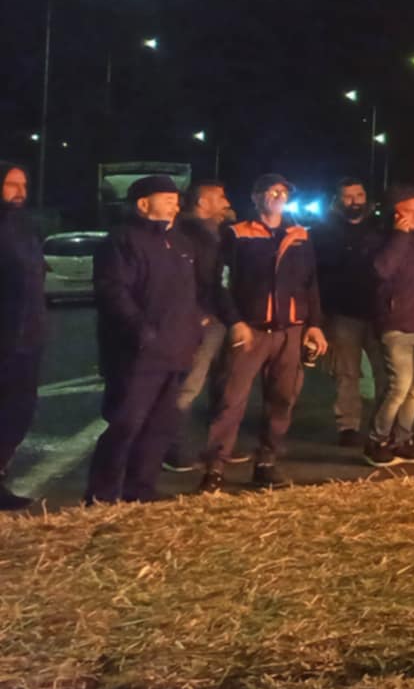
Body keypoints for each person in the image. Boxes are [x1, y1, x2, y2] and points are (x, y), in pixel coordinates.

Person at [203, 175, 329, 492]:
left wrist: (314, 325)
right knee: (231, 400)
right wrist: (234, 321)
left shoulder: (300, 235)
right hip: (250, 331)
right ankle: (215, 470)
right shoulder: (236, 234)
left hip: (290, 332)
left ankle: (266, 463)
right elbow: (220, 283)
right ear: (256, 197)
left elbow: (310, 283)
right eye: (271, 191)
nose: (278, 196)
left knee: (282, 399)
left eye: (283, 192)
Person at [88, 175, 203, 504]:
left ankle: (140, 490)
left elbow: (188, 295)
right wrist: (141, 331)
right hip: (136, 355)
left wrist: (193, 332)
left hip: (175, 351)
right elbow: (113, 292)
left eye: (176, 199)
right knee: (126, 425)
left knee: (159, 427)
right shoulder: (121, 241)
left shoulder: (180, 242)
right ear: (143, 204)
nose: (175, 205)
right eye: (167, 199)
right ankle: (101, 495)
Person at [365, 185, 414, 467]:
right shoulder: (380, 239)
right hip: (397, 326)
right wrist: (399, 235)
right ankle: (377, 440)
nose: (411, 216)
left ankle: (402, 438)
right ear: (392, 212)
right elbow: (381, 270)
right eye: (405, 210)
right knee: (398, 387)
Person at [164, 179, 236, 474]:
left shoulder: (216, 233)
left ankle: (217, 446)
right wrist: (197, 312)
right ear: (202, 203)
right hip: (205, 319)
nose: (226, 201)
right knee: (189, 386)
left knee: (224, 384)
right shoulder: (188, 235)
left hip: (222, 317)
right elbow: (187, 278)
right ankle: (172, 448)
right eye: (219, 197)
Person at [313, 179, 385, 451]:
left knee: (385, 373)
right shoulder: (323, 233)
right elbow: (315, 275)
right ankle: (348, 425)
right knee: (346, 373)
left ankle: (385, 425)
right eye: (348, 197)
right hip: (342, 312)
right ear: (337, 200)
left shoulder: (380, 229)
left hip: (377, 312)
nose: (355, 201)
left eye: (359, 195)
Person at [0, 162, 46, 509]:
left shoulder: (24, 228)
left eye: (24, 184)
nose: (20, 192)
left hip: (26, 339)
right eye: (11, 185)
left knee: (19, 410)